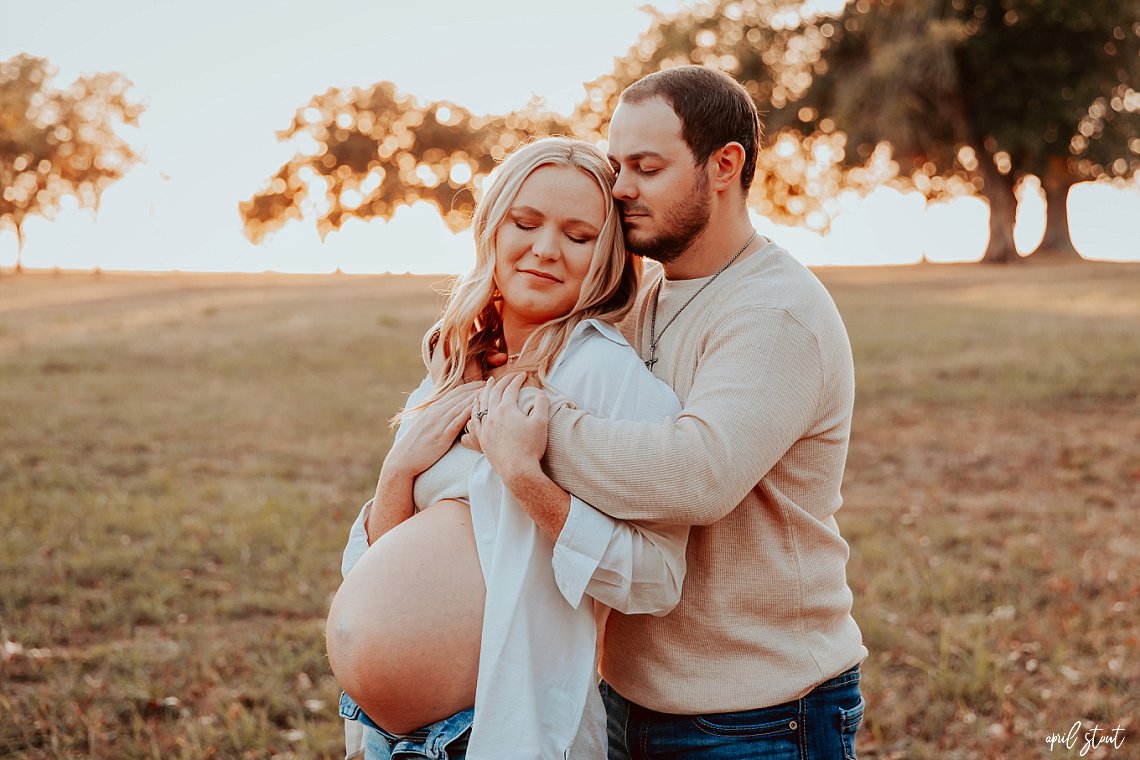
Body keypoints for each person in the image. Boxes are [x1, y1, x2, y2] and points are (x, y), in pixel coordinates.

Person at [474, 66, 868, 759]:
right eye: (616, 164)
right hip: (630, 695)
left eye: (647, 167)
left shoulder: (774, 313)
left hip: (758, 715)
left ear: (724, 165)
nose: (620, 187)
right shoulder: (646, 291)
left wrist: (529, 425)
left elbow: (698, 476)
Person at [326, 137, 689, 759]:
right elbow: (377, 566)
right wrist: (397, 473)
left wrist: (526, 479)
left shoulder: (601, 372)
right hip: (390, 739)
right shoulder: (455, 364)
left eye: (578, 236)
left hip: (493, 729)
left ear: (605, 257)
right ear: (492, 228)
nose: (545, 249)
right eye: (525, 223)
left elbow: (655, 580)